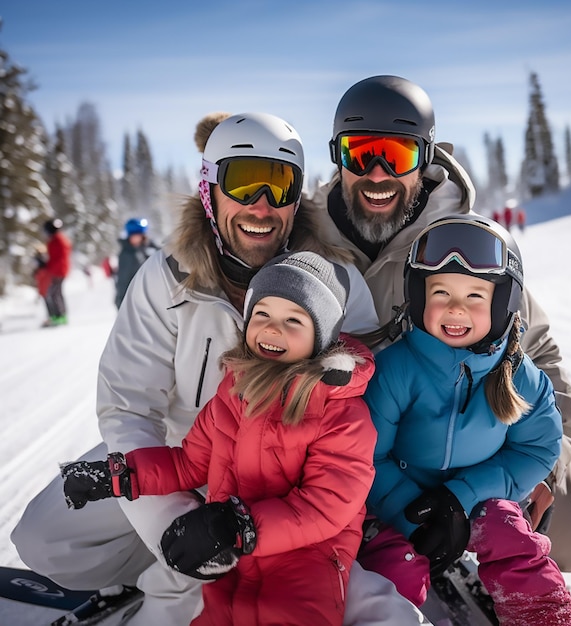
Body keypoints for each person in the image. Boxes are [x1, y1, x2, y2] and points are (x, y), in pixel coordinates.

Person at [12, 112, 426, 626]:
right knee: (44, 538)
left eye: (278, 185)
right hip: (187, 454)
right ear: (209, 188)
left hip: (290, 483)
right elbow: (127, 405)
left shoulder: (335, 281)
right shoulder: (167, 277)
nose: (261, 204)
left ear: (296, 198)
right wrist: (176, 526)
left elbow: (358, 408)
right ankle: (165, 576)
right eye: (242, 181)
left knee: (308, 589)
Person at [302, 74, 571, 573]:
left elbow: (537, 349)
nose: (377, 173)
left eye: (397, 155)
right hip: (362, 448)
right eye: (360, 153)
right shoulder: (305, 243)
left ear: (425, 158)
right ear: (337, 156)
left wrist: (547, 469)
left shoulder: (465, 242)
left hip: (474, 439)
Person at [60, 251, 378, 626]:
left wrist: (238, 526)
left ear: (321, 337)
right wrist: (120, 474)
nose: (273, 329)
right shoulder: (233, 392)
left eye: (293, 320)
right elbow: (188, 462)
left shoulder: (341, 412)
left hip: (308, 559)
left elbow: (326, 506)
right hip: (235, 551)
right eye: (262, 315)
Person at [361, 215, 571, 625]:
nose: (456, 308)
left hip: (479, 498)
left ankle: (542, 616)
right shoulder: (395, 370)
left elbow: (537, 446)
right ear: (418, 296)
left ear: (502, 304)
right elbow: (367, 456)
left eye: (475, 296)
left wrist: (461, 498)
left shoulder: (517, 374)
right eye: (440, 291)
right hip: (404, 504)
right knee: (392, 567)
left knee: (513, 536)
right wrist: (409, 512)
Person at [114, 217, 160, 309]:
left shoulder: (152, 248)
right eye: (133, 236)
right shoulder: (127, 254)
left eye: (138, 235)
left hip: (156, 296)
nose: (136, 238)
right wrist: (121, 300)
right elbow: (123, 279)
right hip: (136, 299)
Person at [40, 217, 72, 327]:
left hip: (59, 271)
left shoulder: (58, 240)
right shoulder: (55, 240)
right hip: (56, 270)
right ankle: (56, 316)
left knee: (54, 293)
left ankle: (61, 316)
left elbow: (60, 258)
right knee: (53, 293)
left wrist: (49, 266)